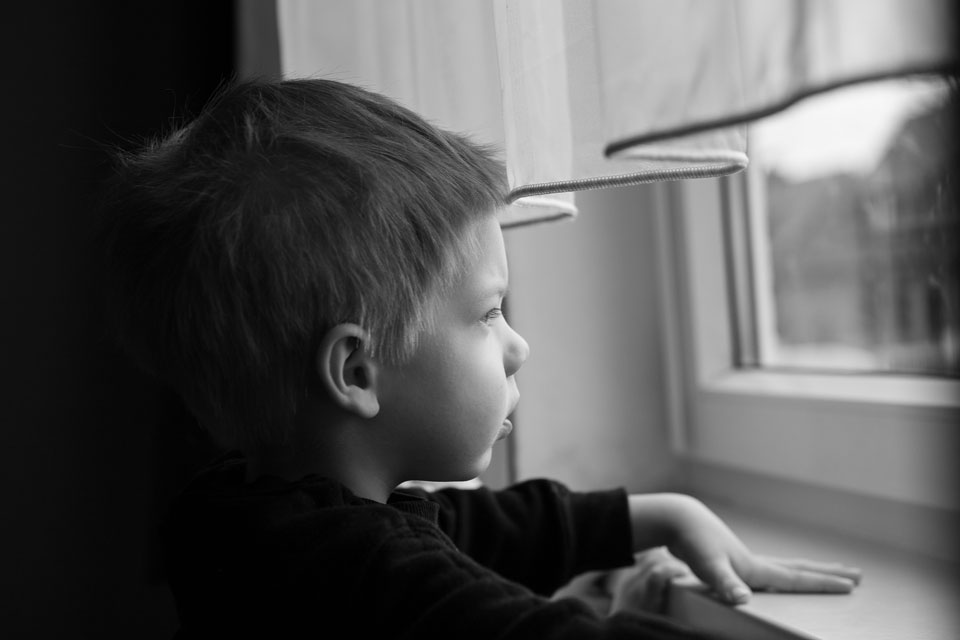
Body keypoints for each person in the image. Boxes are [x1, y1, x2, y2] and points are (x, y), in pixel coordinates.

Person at [95, 77, 861, 639]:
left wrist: (658, 513)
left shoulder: (246, 515)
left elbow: (472, 531)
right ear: (357, 371)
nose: (517, 343)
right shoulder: (355, 577)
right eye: (489, 313)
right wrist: (613, 613)